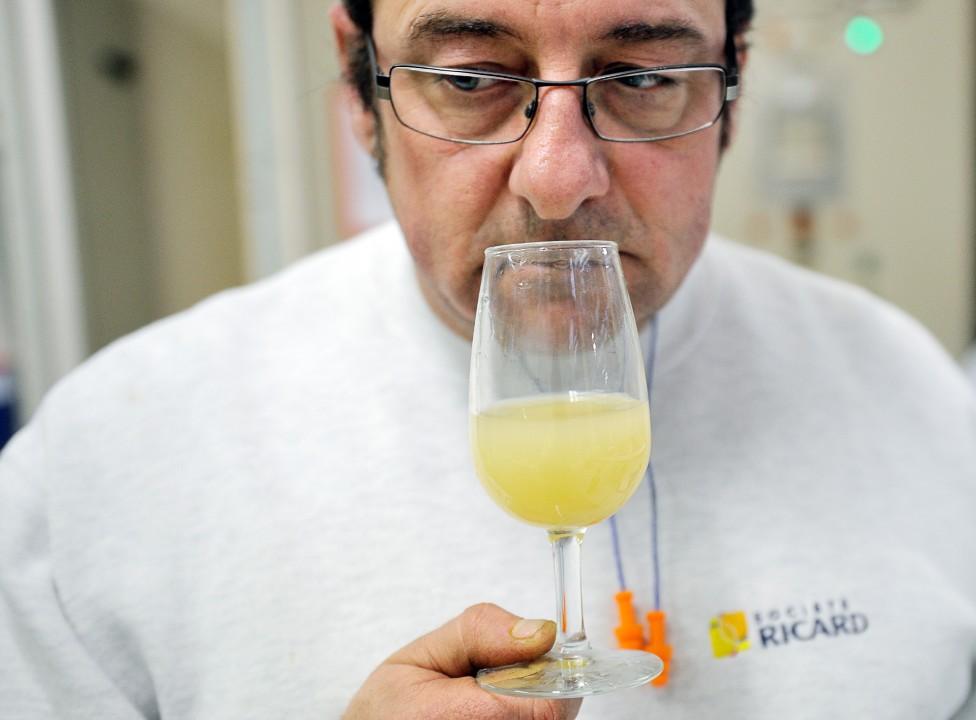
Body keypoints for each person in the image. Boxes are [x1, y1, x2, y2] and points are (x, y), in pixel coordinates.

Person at [2, 0, 975, 717]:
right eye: (469, 79)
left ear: (733, 88)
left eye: (641, 81)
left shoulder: (906, 389)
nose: (557, 180)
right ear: (358, 87)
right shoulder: (101, 464)